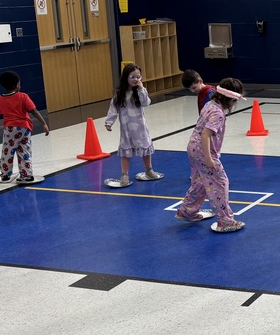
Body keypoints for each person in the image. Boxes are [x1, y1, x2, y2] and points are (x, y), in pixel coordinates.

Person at [176, 78, 246, 232]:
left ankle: (187, 211)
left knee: (200, 181)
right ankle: (225, 221)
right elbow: (205, 134)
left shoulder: (210, 104)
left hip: (193, 147)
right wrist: (209, 158)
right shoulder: (218, 113)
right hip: (203, 151)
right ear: (230, 98)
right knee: (220, 183)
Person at [104, 63, 162, 187]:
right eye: (133, 77)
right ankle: (124, 175)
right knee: (126, 151)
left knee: (145, 148)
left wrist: (141, 89)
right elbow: (113, 108)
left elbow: (146, 103)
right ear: (126, 77)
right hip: (126, 129)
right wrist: (109, 121)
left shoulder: (140, 91)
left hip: (140, 127)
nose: (136, 79)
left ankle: (149, 170)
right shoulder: (119, 93)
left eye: (138, 77)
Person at [0, 70, 49, 184]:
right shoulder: (23, 96)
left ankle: (5, 175)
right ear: (17, 85)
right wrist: (44, 123)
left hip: (10, 129)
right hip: (25, 128)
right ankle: (26, 175)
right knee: (24, 150)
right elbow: (33, 110)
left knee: (8, 151)